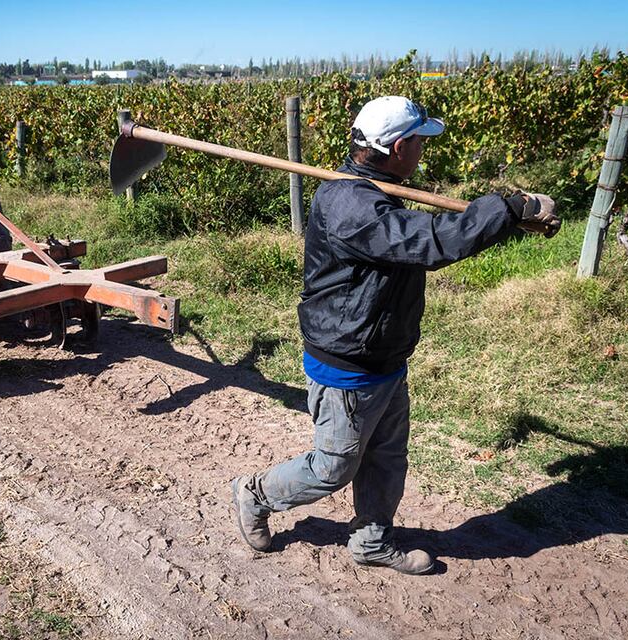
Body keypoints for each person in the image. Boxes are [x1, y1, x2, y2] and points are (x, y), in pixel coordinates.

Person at [230, 96, 560, 575]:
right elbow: (428, 241)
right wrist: (507, 208)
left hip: (383, 354)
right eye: (421, 140)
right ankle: (254, 493)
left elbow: (428, 227)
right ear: (401, 145)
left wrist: (507, 216)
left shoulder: (374, 190)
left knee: (386, 458)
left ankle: (371, 541)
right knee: (333, 466)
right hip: (346, 361)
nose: (424, 149)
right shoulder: (351, 205)